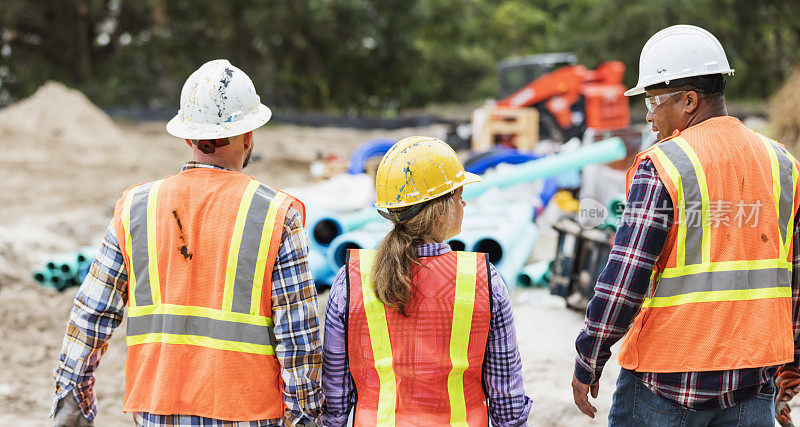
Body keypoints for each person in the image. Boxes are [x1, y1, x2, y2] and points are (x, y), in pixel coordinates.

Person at [51, 59, 322, 426]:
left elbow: (91, 313)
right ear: (249, 135)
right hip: (246, 411)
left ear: (188, 136)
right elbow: (298, 338)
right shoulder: (277, 214)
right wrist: (304, 416)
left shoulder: (136, 208)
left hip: (156, 407)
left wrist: (72, 397)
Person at [571, 24, 800, 426]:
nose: (649, 115)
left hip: (667, 380)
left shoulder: (665, 164)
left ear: (690, 100)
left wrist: (590, 355)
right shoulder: (783, 164)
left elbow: (626, 277)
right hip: (752, 382)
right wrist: (791, 373)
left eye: (654, 101)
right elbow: (795, 283)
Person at [321, 136, 532, 426]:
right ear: (442, 208)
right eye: (458, 194)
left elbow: (334, 395)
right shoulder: (483, 280)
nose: (464, 202)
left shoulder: (351, 280)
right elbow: (506, 398)